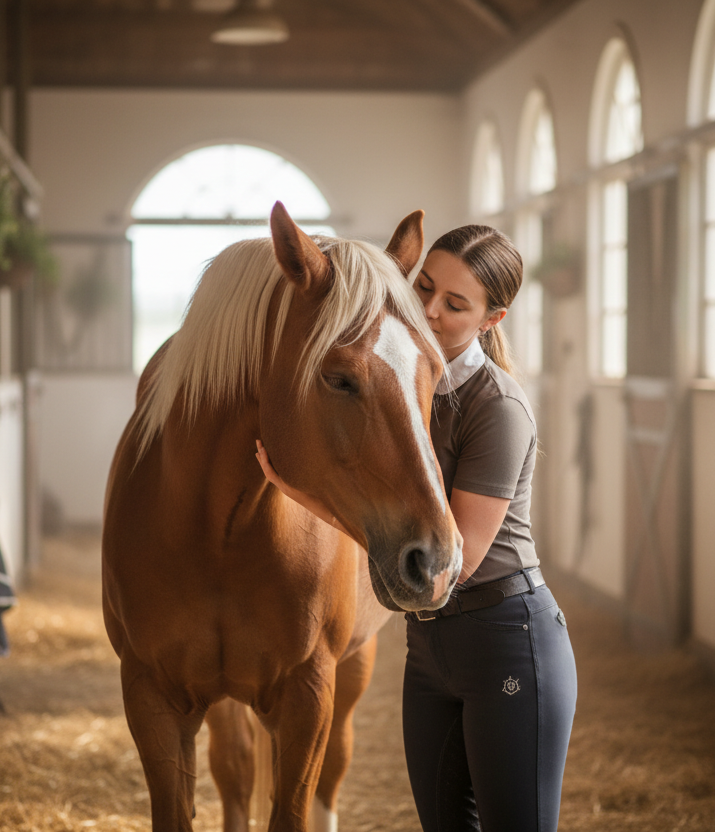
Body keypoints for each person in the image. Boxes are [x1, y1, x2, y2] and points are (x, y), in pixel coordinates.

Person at [257, 225, 576, 831]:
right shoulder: (400, 384)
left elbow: (456, 566)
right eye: (423, 286)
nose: (429, 310)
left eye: (455, 304)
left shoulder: (497, 409)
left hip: (505, 637)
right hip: (430, 650)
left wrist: (301, 495)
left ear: (491, 318)